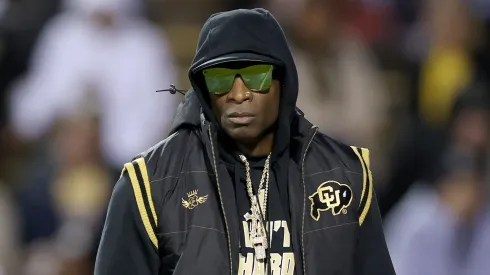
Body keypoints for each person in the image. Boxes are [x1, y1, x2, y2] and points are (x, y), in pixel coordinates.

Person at [95, 8, 395, 275]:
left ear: (284, 81)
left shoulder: (345, 173)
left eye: (256, 76)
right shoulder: (150, 182)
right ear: (203, 89)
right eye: (220, 78)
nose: (238, 94)